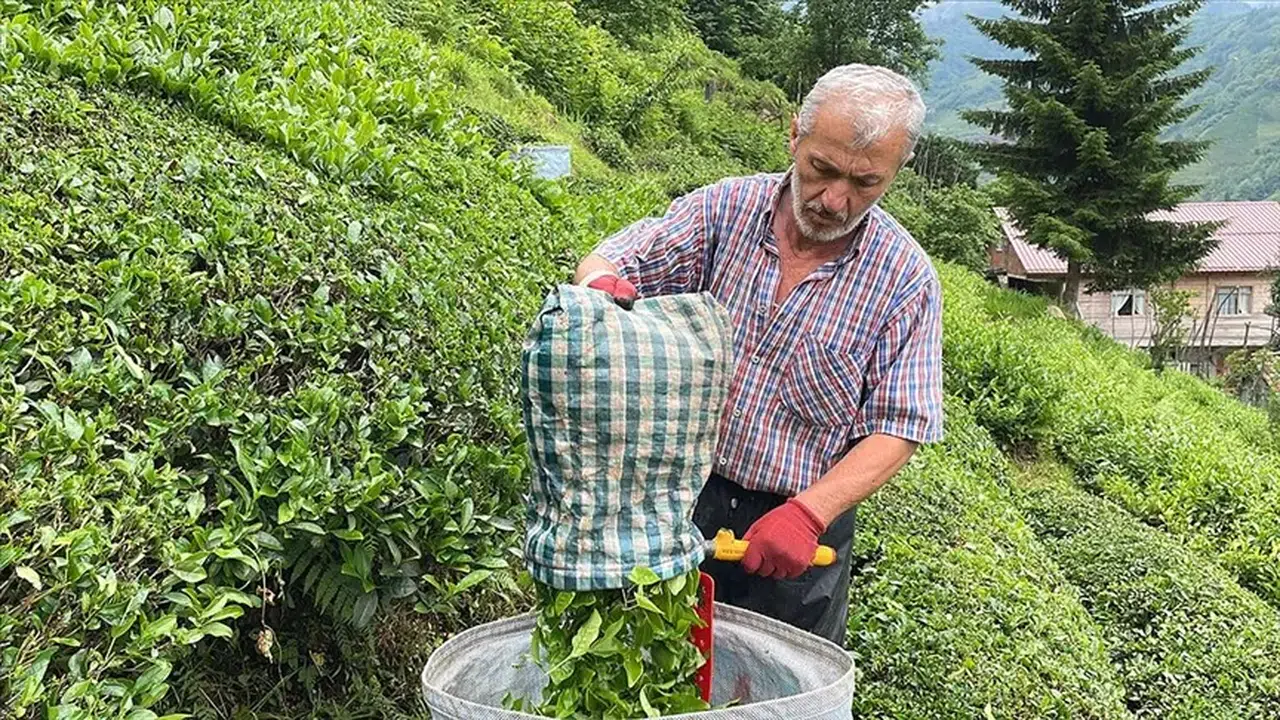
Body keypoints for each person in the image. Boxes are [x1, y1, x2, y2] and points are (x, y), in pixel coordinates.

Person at [573, 63, 944, 645]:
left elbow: (900, 426)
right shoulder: (724, 211)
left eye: (866, 183)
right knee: (642, 658)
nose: (835, 200)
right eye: (822, 169)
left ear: (897, 171)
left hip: (797, 534)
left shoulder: (905, 279)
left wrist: (809, 513)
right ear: (795, 135)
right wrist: (601, 286)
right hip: (676, 500)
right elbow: (611, 261)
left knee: (774, 681)